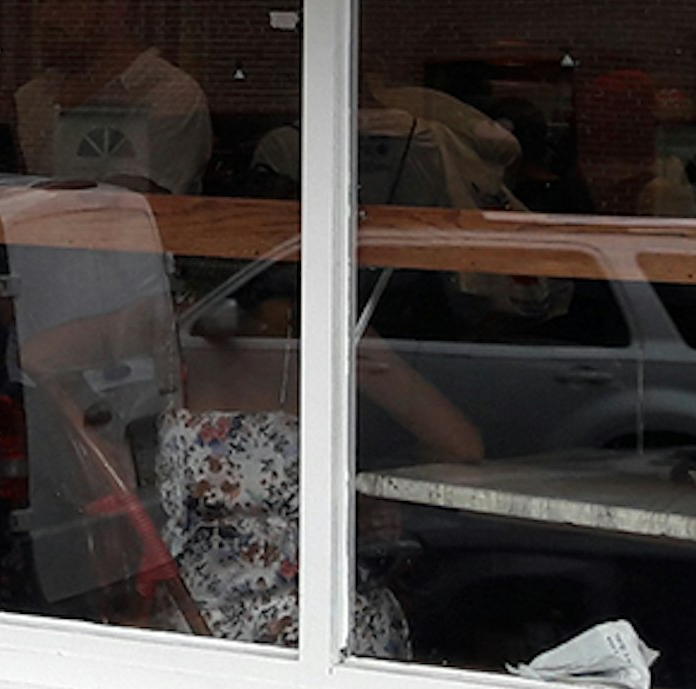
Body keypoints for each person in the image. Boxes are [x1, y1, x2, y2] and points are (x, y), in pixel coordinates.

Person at [153, 267, 482, 654]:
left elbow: (460, 446)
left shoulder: (181, 337)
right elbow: (458, 446)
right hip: (242, 618)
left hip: (214, 618)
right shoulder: (177, 335)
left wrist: (366, 494)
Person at [14, 0, 212, 195]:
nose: (45, 18)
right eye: (40, 2)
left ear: (115, 7)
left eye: (63, 1)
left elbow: (128, 207)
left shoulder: (169, 94)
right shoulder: (33, 97)